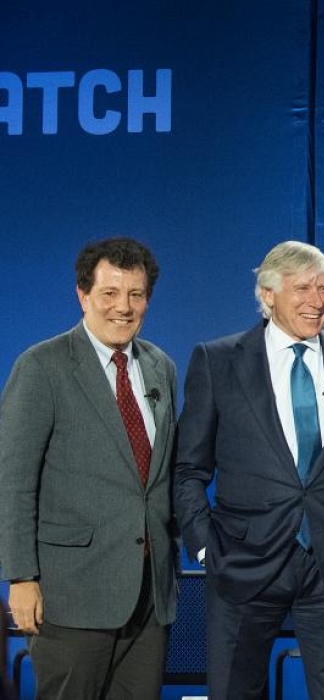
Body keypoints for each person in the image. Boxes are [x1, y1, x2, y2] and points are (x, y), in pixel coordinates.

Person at [174, 240, 324, 699]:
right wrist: (202, 547)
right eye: (302, 288)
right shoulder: (218, 360)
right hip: (242, 560)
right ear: (268, 294)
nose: (317, 301)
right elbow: (189, 467)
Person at [0, 238, 177, 699]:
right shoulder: (42, 367)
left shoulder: (161, 367)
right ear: (83, 296)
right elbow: (13, 481)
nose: (124, 307)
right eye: (110, 293)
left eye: (136, 295)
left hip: (148, 596)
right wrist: (20, 577)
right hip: (70, 595)